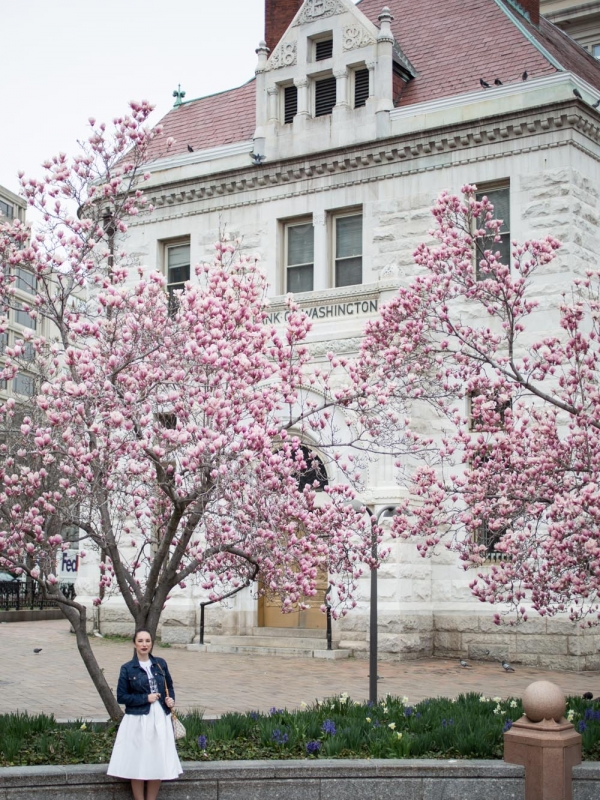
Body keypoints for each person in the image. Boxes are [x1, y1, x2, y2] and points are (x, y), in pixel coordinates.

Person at [107, 629, 183, 800]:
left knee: (157, 759)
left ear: (151, 643)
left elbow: (169, 686)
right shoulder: (127, 668)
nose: (144, 644)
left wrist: (170, 700)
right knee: (138, 760)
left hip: (159, 717)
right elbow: (122, 697)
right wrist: (145, 698)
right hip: (138, 719)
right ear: (134, 643)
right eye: (140, 641)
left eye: (147, 641)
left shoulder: (160, 664)